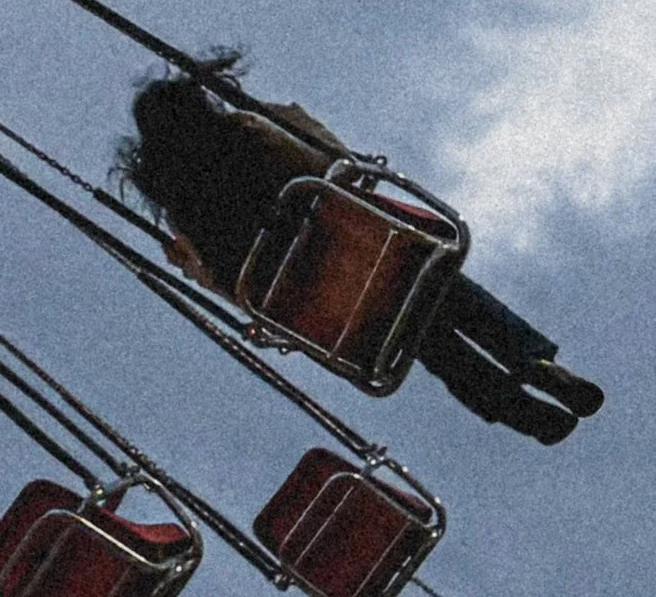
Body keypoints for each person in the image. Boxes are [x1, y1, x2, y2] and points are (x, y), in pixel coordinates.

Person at [120, 66, 602, 445]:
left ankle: (518, 410)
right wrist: (286, 118)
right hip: (371, 251)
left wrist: (189, 264)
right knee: (442, 289)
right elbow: (332, 163)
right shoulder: (246, 132)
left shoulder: (186, 214)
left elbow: (231, 287)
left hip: (335, 310)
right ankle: (533, 363)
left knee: (422, 340)